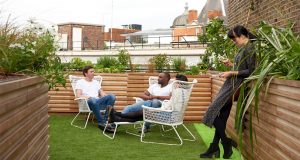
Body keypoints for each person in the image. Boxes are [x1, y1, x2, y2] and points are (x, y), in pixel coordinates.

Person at [200, 25, 256, 159]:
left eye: (234, 38)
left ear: (242, 36)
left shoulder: (250, 48)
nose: (233, 41)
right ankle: (214, 148)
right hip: (231, 83)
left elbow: (252, 71)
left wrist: (232, 72)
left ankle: (226, 143)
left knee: (211, 111)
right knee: (223, 115)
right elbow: (242, 67)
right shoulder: (243, 48)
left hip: (236, 85)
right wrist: (231, 64)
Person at [108, 74, 188, 127]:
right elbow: (142, 94)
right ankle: (116, 120)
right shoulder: (182, 92)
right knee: (132, 110)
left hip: (165, 113)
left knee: (144, 112)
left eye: (175, 82)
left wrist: (156, 97)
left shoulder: (176, 91)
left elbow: (170, 102)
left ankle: (117, 115)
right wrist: (149, 97)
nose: (173, 83)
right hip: (158, 109)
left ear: (179, 83)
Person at [75, 66, 116, 132]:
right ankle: (101, 122)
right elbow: (78, 95)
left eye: (93, 71)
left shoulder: (96, 82)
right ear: (86, 73)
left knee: (112, 96)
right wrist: (88, 97)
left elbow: (101, 93)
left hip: (98, 102)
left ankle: (105, 121)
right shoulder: (80, 82)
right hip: (88, 104)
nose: (93, 73)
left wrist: (107, 96)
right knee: (93, 100)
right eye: (91, 72)